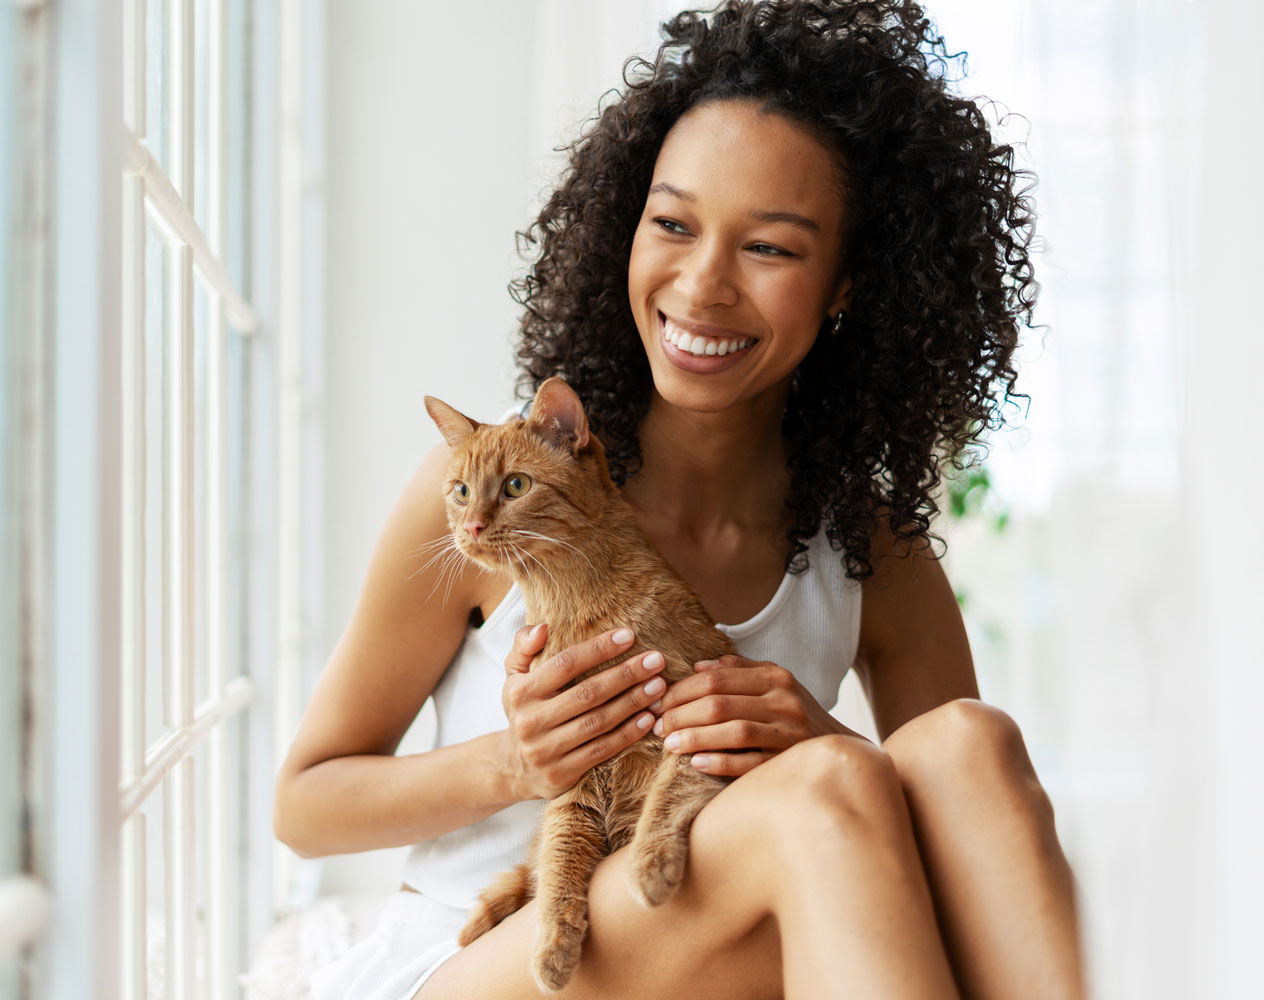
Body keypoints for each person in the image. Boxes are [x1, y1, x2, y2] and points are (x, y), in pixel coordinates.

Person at [276, 2, 1084, 997]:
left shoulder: (872, 550)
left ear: (846, 285)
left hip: (712, 944)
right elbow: (303, 805)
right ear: (627, 225)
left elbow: (953, 834)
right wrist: (516, 762)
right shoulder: (497, 491)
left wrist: (811, 737)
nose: (701, 286)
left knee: (968, 744)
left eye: (771, 248)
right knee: (822, 793)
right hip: (490, 953)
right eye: (671, 224)